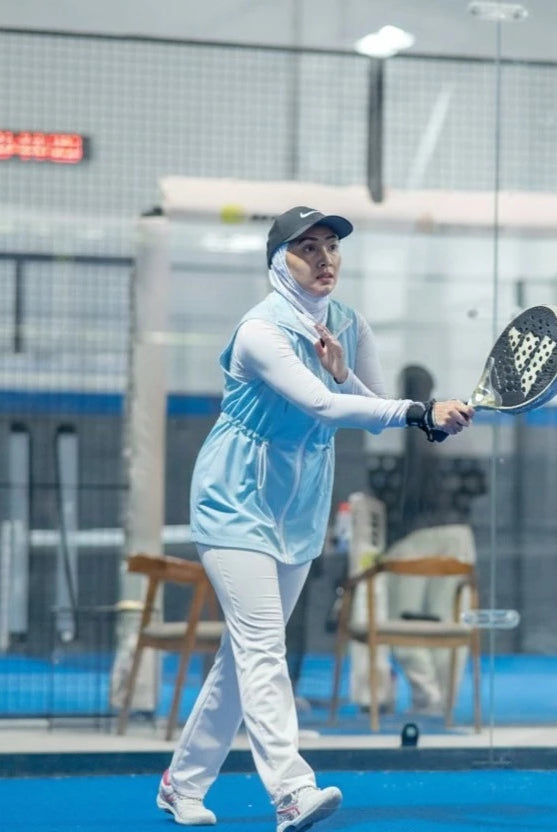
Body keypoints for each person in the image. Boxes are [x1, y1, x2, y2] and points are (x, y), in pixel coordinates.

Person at [156, 206, 474, 831]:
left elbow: (370, 401)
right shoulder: (260, 331)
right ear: (280, 261)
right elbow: (325, 404)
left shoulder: (351, 326)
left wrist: (419, 413)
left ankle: (181, 783)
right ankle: (292, 791)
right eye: (308, 248)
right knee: (263, 644)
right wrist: (421, 411)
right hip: (234, 499)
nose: (325, 258)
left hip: (300, 504)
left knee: (240, 655)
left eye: (332, 246)